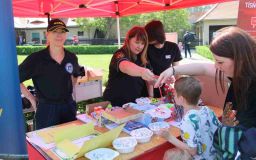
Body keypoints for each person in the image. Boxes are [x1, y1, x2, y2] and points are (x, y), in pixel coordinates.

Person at [155, 26, 256, 129]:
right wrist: (172, 70)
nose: (216, 66)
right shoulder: (239, 75)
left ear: (240, 59)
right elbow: (203, 68)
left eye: (220, 62)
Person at [19, 19, 83, 130]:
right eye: (54, 31)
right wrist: (31, 98)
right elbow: (15, 78)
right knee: (46, 143)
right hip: (46, 109)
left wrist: (69, 90)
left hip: (68, 106)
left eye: (62, 31)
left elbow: (76, 74)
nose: (59, 35)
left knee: (70, 139)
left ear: (66, 34)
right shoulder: (36, 59)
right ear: (47, 34)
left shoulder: (71, 57)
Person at [159, 77, 221, 160]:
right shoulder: (207, 109)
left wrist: (168, 137)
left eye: (174, 95)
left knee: (169, 155)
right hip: (216, 156)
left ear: (181, 99)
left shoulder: (188, 120)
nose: (173, 97)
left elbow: (192, 151)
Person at [103, 26, 155, 106]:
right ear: (128, 40)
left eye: (142, 43)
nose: (140, 46)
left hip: (133, 103)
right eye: (137, 42)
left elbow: (150, 79)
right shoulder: (119, 54)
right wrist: (142, 71)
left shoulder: (143, 58)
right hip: (114, 103)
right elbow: (125, 66)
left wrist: (160, 80)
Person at [145, 20, 182, 98]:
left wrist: (179, 91)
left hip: (163, 88)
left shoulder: (173, 47)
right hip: (147, 89)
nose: (146, 39)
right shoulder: (146, 49)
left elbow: (177, 71)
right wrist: (151, 97)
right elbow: (147, 74)